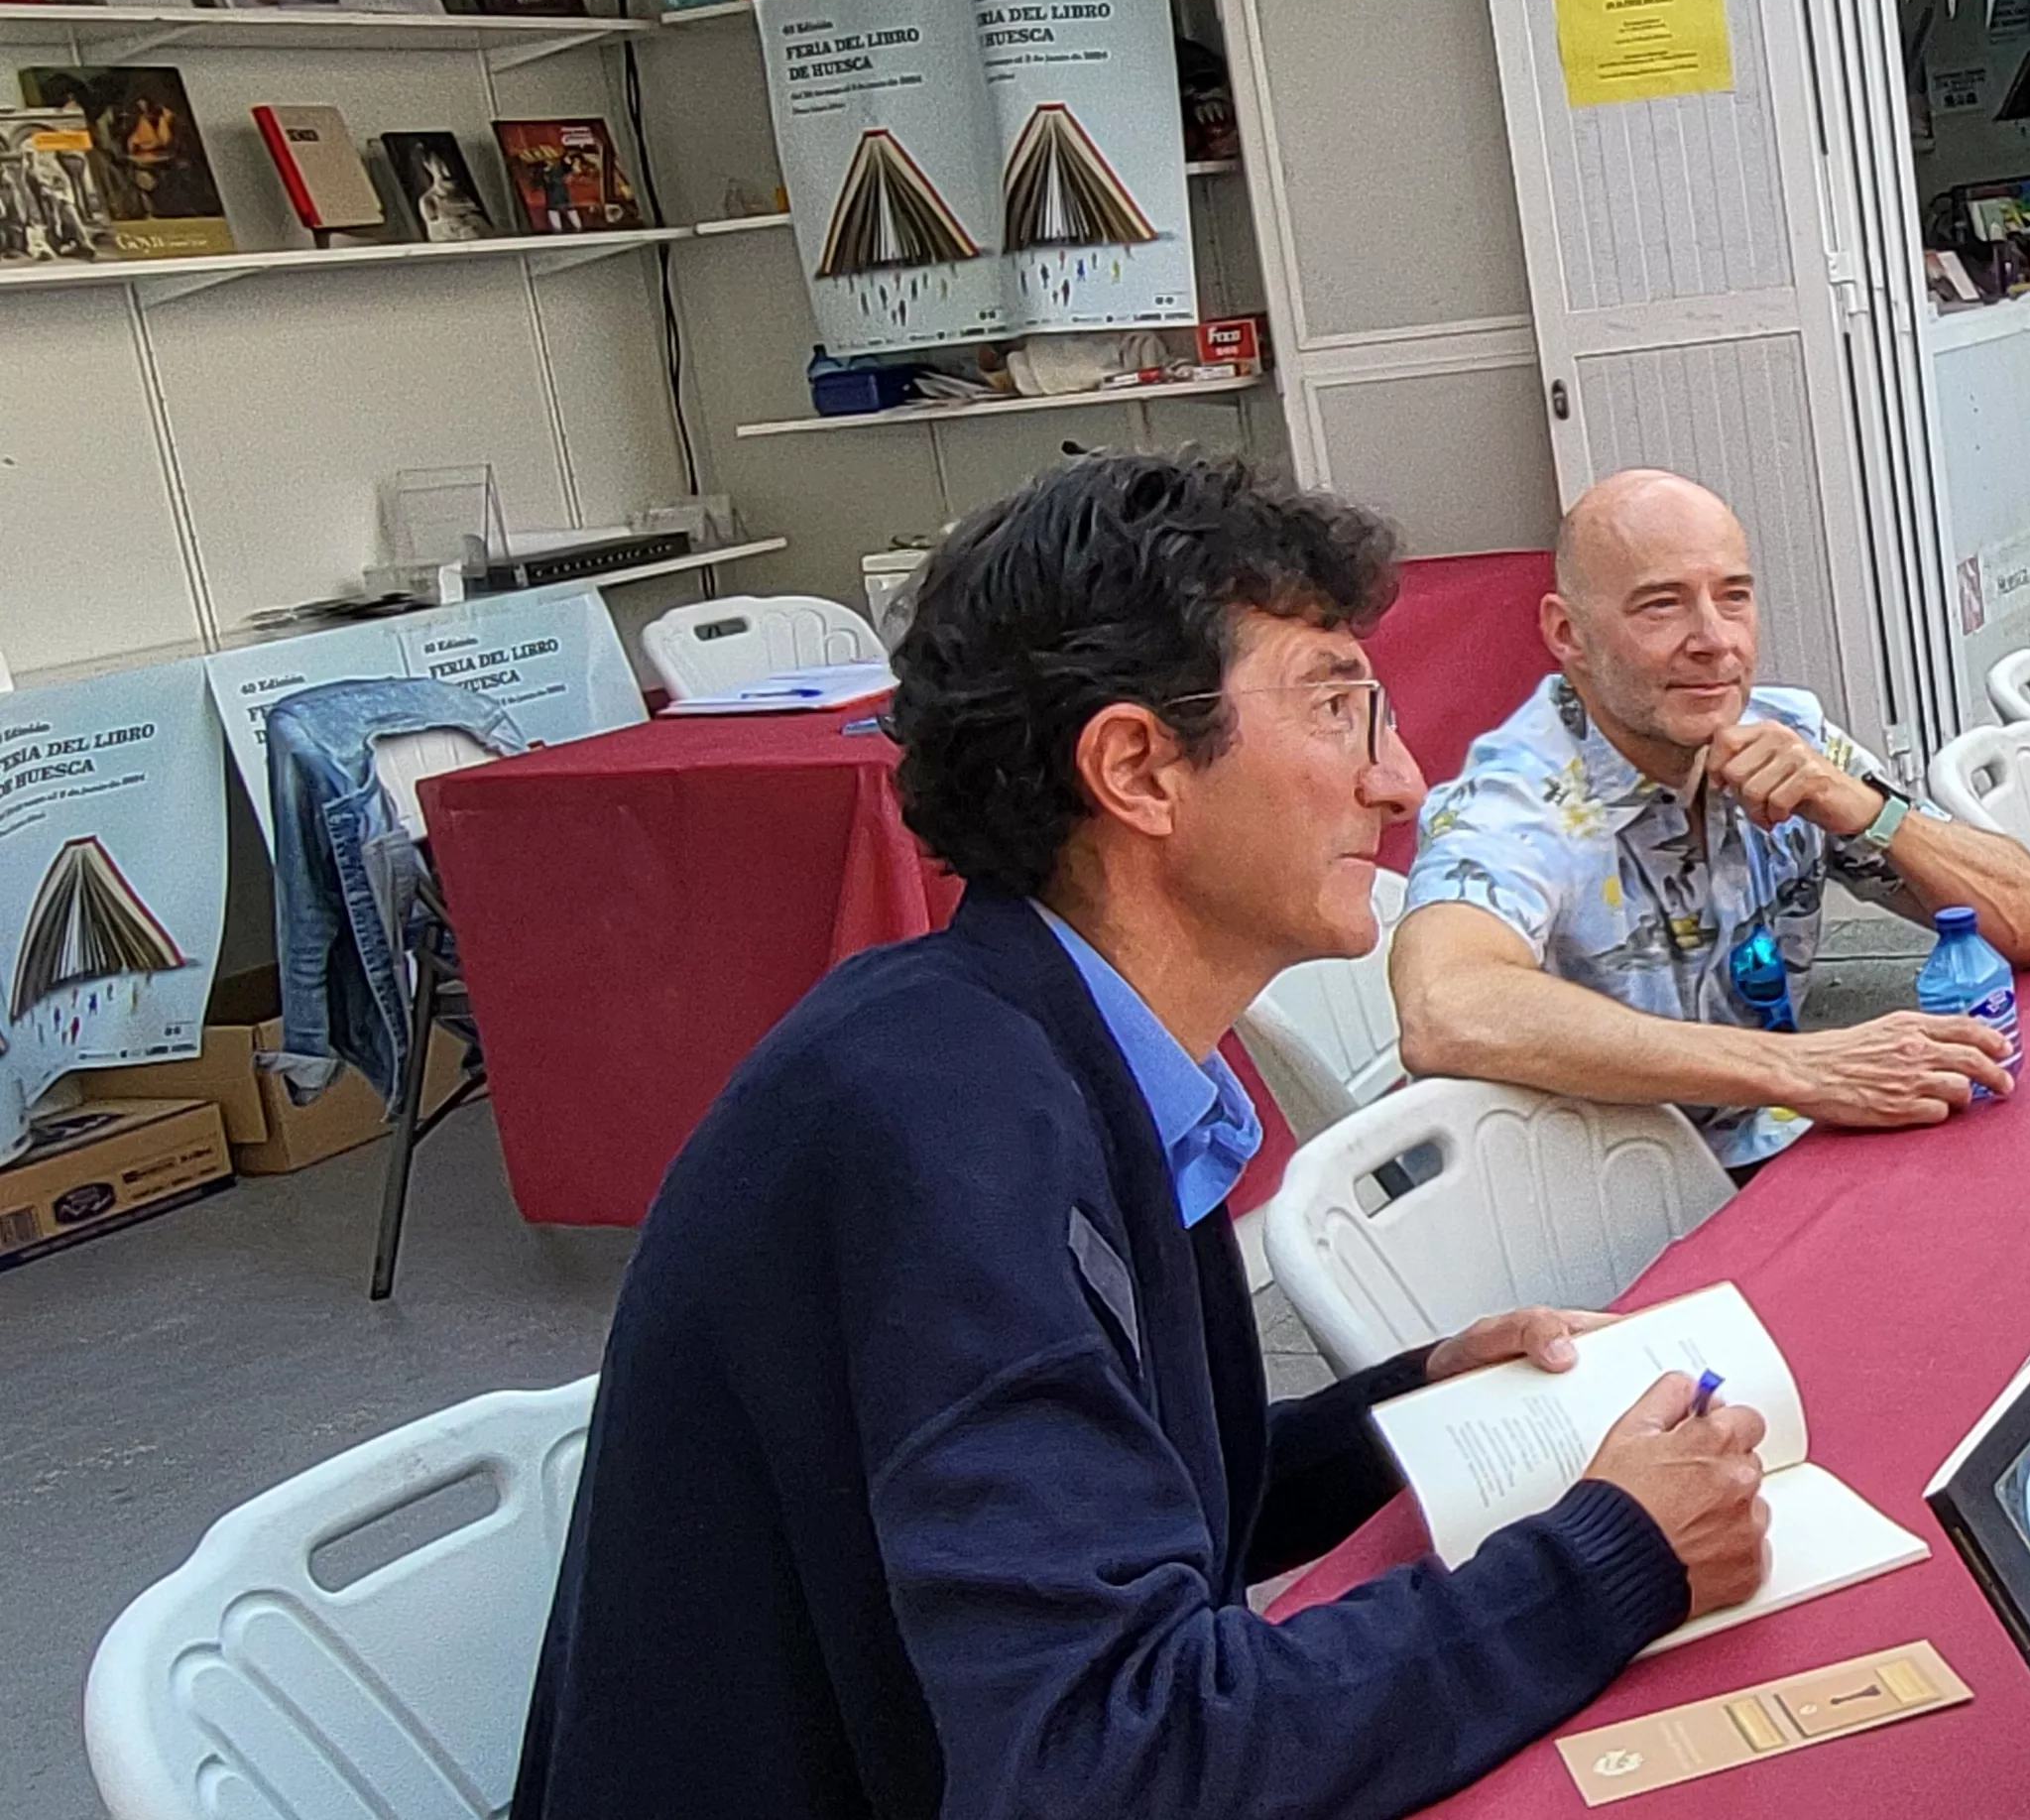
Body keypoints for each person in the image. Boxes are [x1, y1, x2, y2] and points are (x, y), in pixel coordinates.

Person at [515, 455, 1777, 1820]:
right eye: (1339, 706)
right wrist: (1610, 1560)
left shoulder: (1042, 1044)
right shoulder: (944, 1137)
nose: (1400, 779)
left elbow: (1126, 1504)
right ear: (1136, 769)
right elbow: (1107, 1762)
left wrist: (1410, 1399)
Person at [1391, 470, 2030, 1171]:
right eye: (1661, 606)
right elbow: (1445, 1006)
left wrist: (1869, 811)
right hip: (1604, 1222)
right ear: (1568, 634)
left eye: (1734, 597)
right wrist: (1798, 1069)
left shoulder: (1788, 737)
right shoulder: (1519, 803)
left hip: (1775, 1162)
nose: (1715, 640)